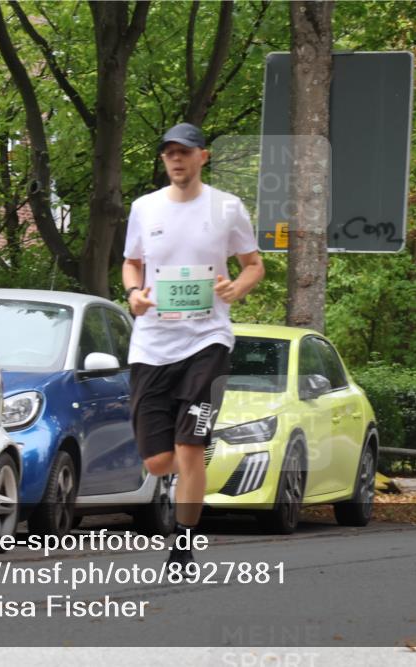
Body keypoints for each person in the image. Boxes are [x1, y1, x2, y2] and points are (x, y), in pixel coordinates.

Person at [122, 123, 264, 566]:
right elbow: (131, 263)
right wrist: (134, 294)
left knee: (189, 448)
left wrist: (237, 289)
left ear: (203, 156)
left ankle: (184, 540)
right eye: (169, 153)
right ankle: (179, 478)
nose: (176, 160)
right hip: (152, 346)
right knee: (159, 462)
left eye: (184, 152)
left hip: (208, 340)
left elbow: (253, 265)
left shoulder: (227, 207)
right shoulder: (144, 208)